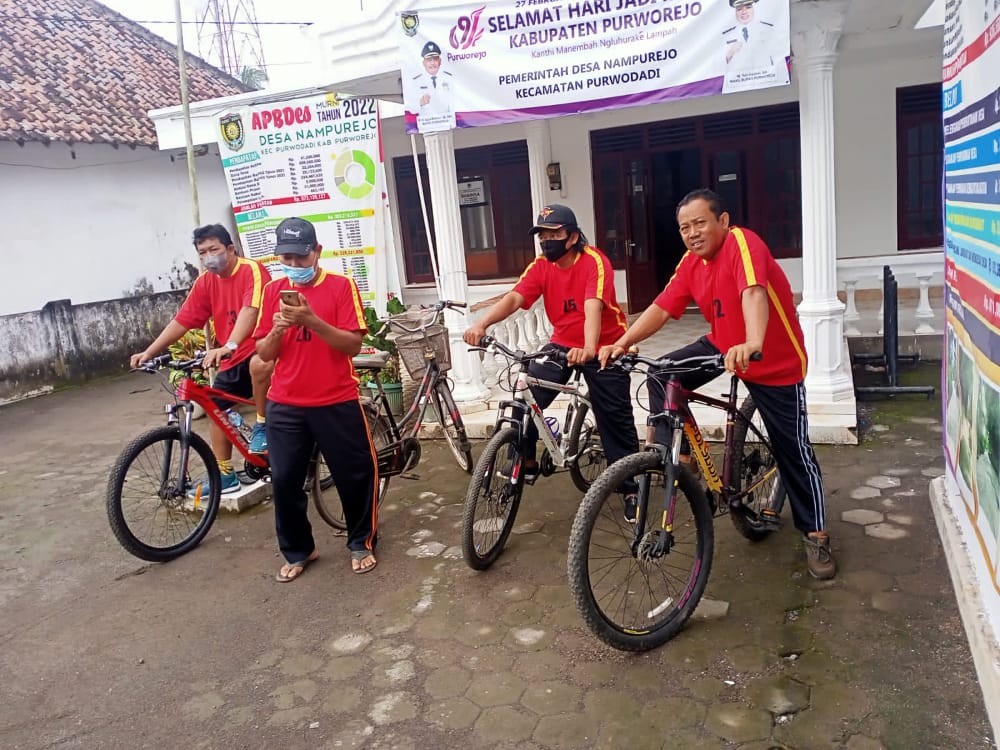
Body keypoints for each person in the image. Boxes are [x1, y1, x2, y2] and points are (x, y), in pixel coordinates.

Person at [597, 189, 837, 580]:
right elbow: (662, 305)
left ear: (722, 221)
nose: (692, 233)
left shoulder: (742, 242)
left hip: (774, 361)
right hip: (724, 344)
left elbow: (753, 292)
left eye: (699, 223)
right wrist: (623, 341)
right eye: (684, 227)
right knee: (660, 372)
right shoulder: (691, 262)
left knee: (793, 450)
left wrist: (755, 341)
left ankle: (816, 533)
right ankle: (678, 456)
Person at [463, 204, 641, 516]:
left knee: (615, 418)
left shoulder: (594, 262)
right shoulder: (541, 266)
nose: (547, 240)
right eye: (543, 234)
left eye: (554, 233)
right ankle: (527, 460)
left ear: (572, 237)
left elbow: (593, 307)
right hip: (560, 344)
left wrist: (588, 347)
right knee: (527, 394)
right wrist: (482, 324)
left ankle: (629, 487)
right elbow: (516, 298)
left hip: (604, 345)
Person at [254, 217, 379, 582]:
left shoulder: (341, 287)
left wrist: (311, 321)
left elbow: (352, 344)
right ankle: (299, 549)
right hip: (286, 403)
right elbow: (263, 352)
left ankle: (361, 541)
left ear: (317, 252)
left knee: (354, 475)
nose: (293, 265)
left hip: (336, 399)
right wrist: (279, 327)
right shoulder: (273, 290)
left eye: (300, 257)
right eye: (286, 257)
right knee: (284, 480)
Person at [130, 224, 273, 494]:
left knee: (259, 364)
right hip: (232, 358)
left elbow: (250, 311)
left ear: (230, 249)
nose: (209, 257)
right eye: (202, 252)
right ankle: (226, 474)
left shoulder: (251, 270)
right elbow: (183, 320)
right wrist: (150, 351)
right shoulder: (205, 282)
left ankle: (262, 427)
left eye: (214, 249)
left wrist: (229, 344)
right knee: (216, 407)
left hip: (262, 349)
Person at [722, 0, 789, 93]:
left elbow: (780, 59)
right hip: (736, 89)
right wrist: (730, 53)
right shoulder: (726, 35)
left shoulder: (768, 29)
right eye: (739, 9)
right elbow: (714, 66)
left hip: (769, 85)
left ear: (753, 8)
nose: (744, 12)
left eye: (748, 7)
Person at [409, 41, 455, 131]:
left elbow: (455, 103)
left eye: (435, 59)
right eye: (429, 60)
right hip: (427, 128)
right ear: (424, 63)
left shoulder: (449, 78)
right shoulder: (416, 82)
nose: (432, 63)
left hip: (447, 126)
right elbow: (411, 108)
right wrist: (420, 102)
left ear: (440, 61)